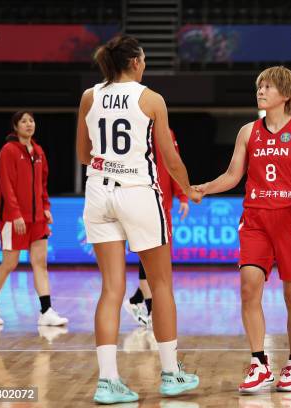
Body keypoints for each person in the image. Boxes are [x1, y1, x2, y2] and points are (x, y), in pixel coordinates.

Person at [76, 35, 201, 403]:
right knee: (161, 285)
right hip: (137, 191)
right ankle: (170, 374)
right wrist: (190, 188)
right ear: (134, 62)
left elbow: (84, 154)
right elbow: (170, 159)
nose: (145, 63)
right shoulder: (151, 99)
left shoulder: (89, 96)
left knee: (111, 289)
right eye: (143, 58)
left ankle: (108, 381)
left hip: (98, 191)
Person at [194, 66, 291, 393]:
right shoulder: (248, 131)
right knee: (249, 287)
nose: (260, 91)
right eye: (259, 86)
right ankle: (259, 362)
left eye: (267, 87)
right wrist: (205, 187)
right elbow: (233, 175)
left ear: (286, 94)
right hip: (256, 219)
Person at [0, 111, 67, 327]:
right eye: (24, 121)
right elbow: (6, 186)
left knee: (40, 263)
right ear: (15, 126)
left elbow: (43, 184)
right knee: (9, 263)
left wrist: (46, 208)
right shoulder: (8, 151)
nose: (29, 124)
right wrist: (16, 214)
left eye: (32, 120)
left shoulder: (38, 151)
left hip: (37, 219)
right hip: (13, 219)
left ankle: (46, 310)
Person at [124, 128, 189, 328]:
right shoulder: (132, 128)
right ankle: (150, 309)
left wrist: (182, 195)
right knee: (148, 254)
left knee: (159, 259)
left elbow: (173, 163)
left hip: (163, 204)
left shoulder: (167, 133)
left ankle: (137, 300)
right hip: (141, 201)